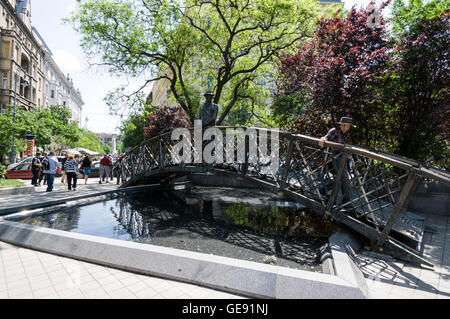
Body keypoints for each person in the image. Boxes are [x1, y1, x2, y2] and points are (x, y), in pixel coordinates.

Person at [318, 116, 356, 204]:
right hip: (337, 158)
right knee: (345, 179)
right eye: (348, 126)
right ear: (343, 125)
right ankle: (346, 202)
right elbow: (326, 137)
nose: (348, 128)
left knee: (339, 180)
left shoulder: (342, 133)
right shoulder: (335, 130)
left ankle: (322, 190)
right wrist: (323, 139)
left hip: (342, 158)